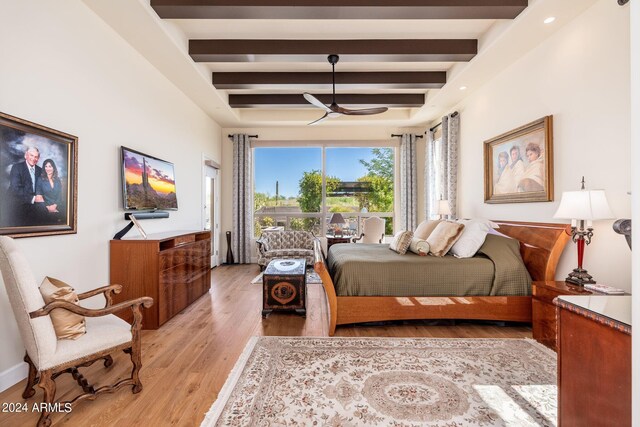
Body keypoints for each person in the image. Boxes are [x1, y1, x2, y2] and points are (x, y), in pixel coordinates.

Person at [7, 146, 47, 226]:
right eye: (31, 155)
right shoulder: (17, 167)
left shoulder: (40, 170)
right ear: (26, 155)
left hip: (35, 206)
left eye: (36, 157)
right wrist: (33, 198)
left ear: (38, 159)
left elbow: (43, 188)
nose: (33, 158)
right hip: (18, 204)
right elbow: (15, 189)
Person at [35, 159, 65, 224]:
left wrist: (54, 206)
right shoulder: (40, 179)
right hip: (44, 206)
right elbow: (38, 196)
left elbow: (59, 195)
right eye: (46, 166)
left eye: (50, 166)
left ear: (53, 168)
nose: (48, 168)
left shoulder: (57, 179)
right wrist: (48, 208)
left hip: (57, 205)